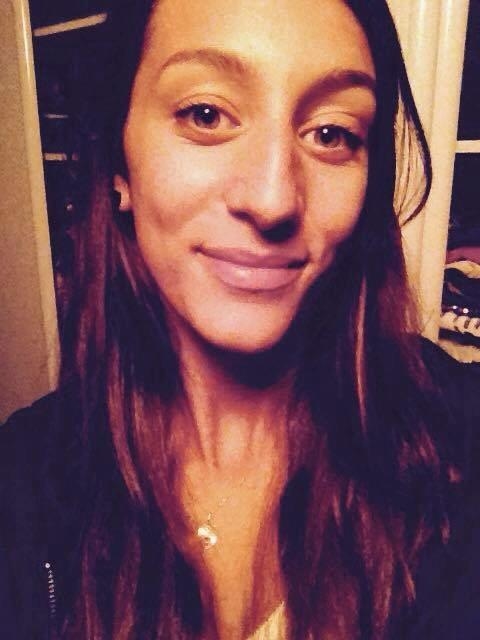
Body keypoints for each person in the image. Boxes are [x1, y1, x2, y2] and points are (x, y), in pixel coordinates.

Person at [1, 0, 480, 638]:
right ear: (119, 162)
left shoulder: (460, 440)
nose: (273, 198)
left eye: (331, 133)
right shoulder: (22, 487)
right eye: (206, 114)